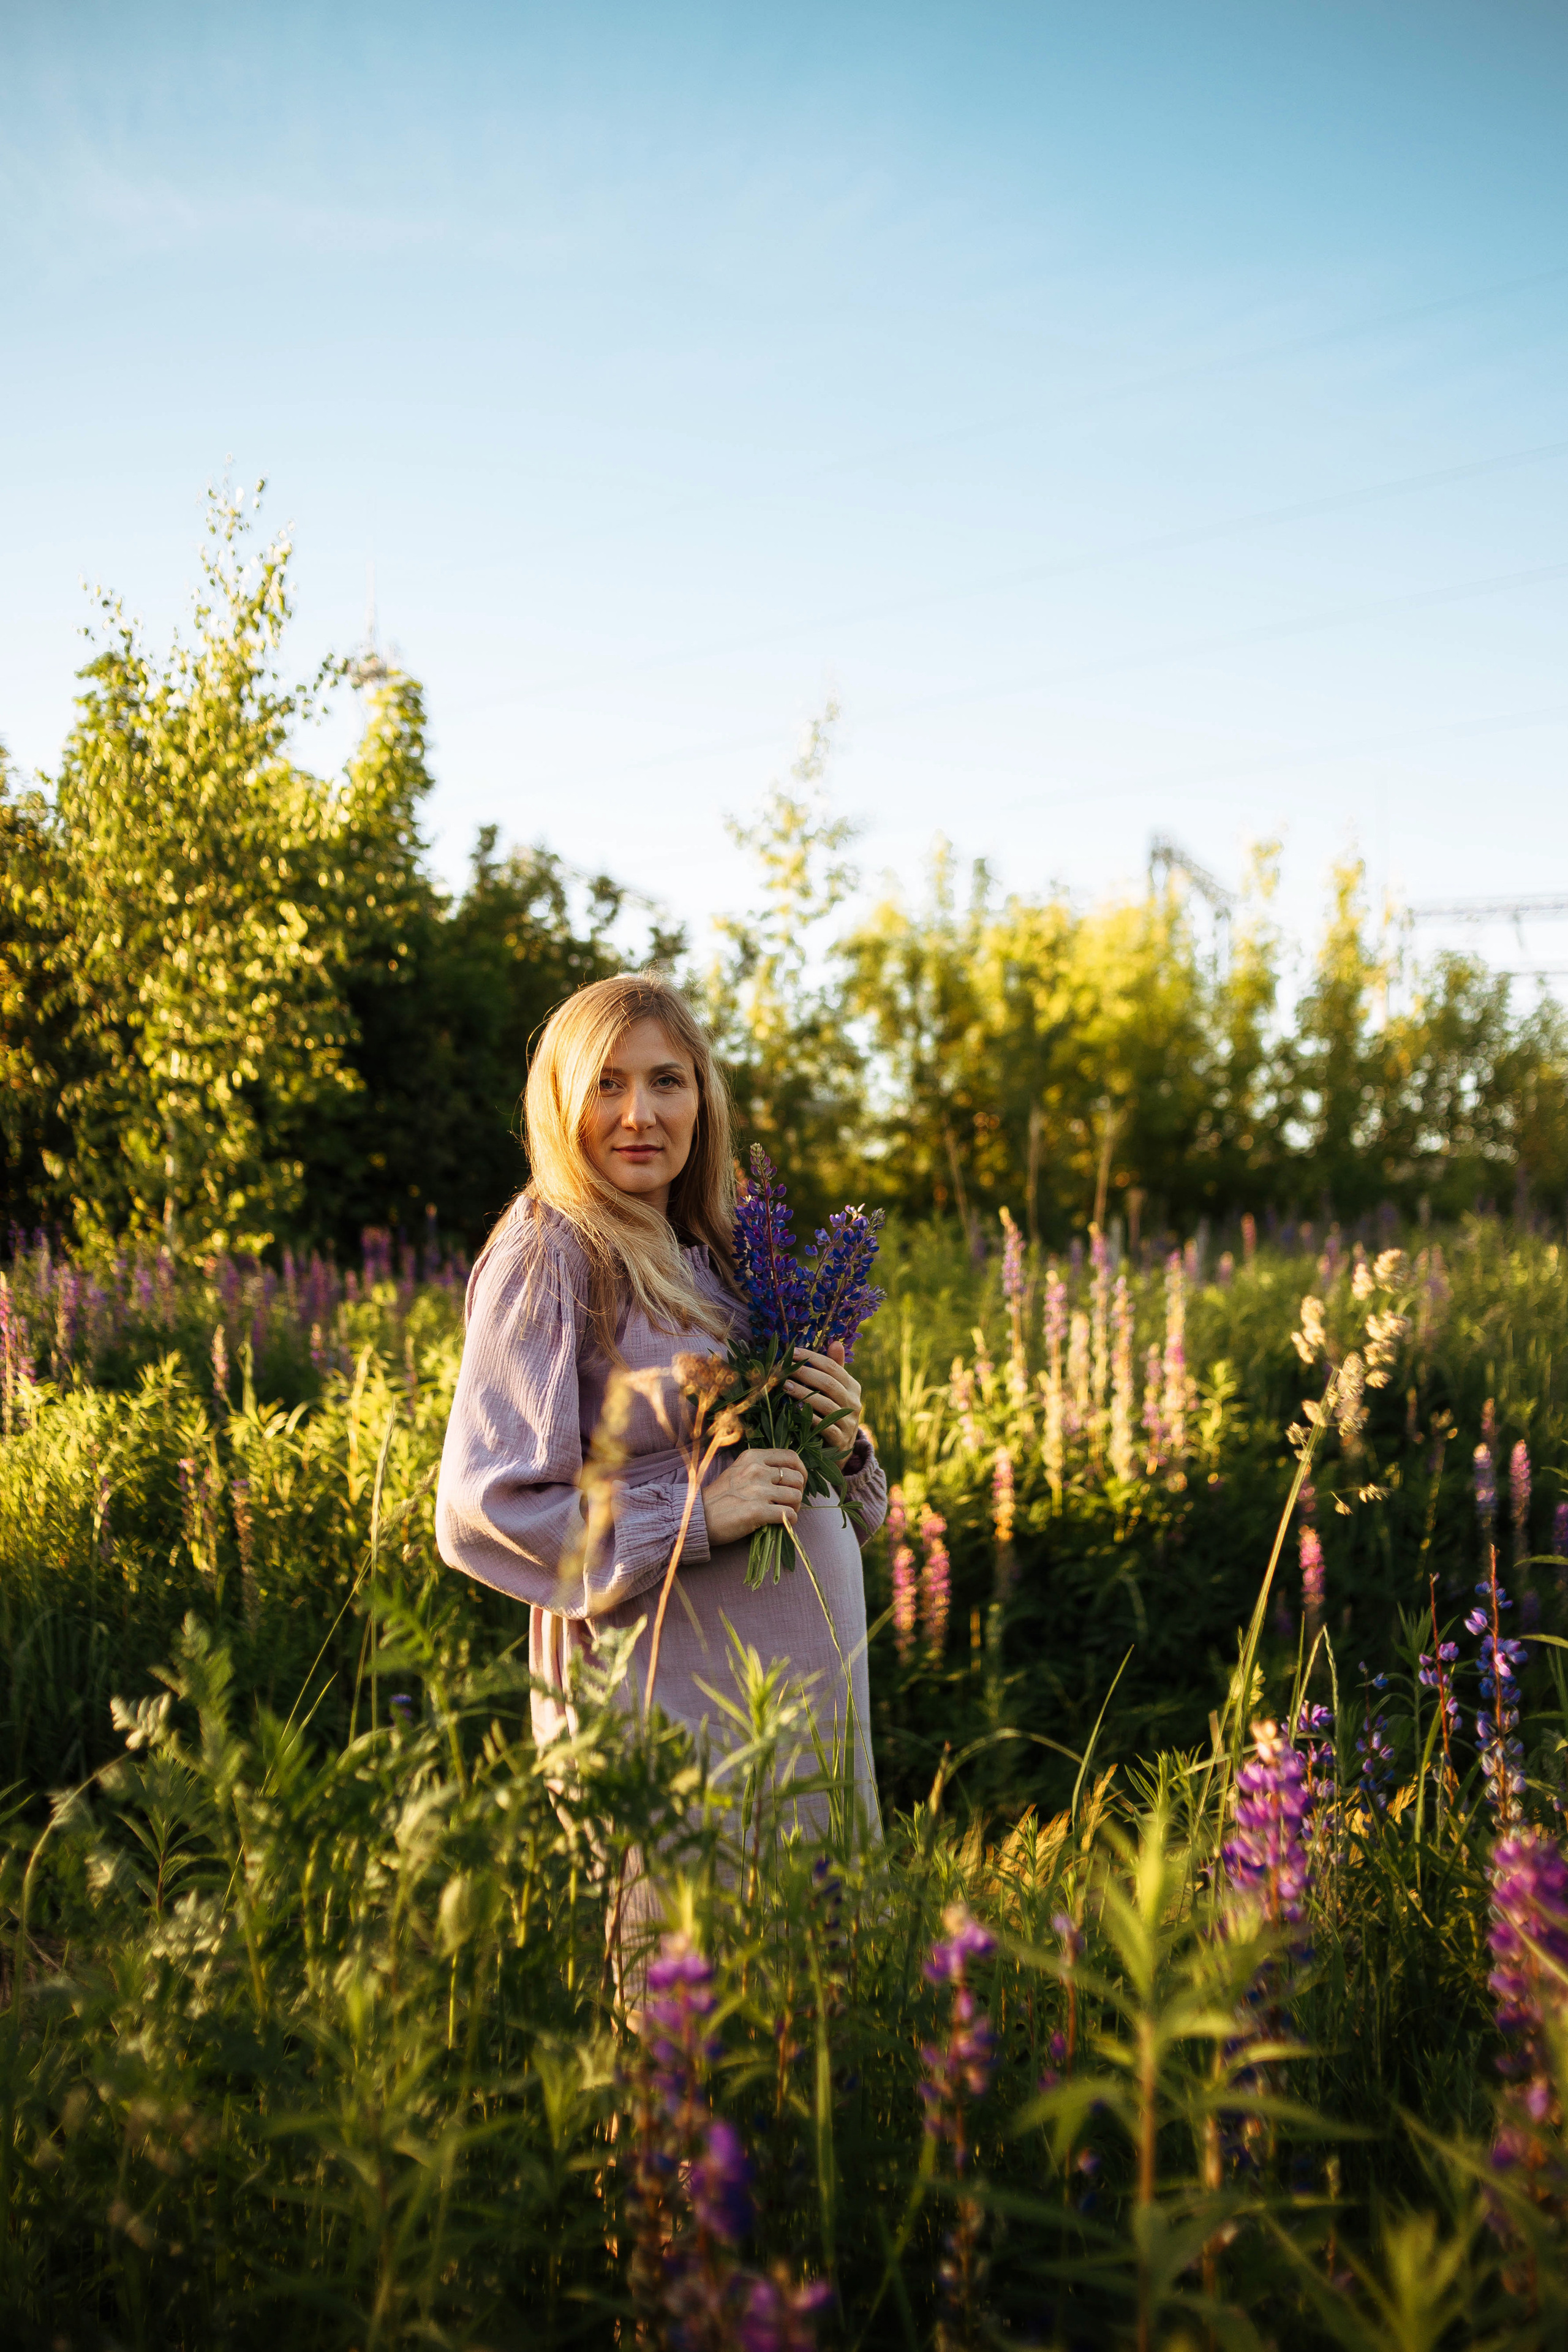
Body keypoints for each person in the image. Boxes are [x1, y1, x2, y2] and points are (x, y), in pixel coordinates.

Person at [434, 970, 887, 1831]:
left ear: (701, 1101)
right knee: (688, 1954)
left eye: (665, 1080)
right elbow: (482, 1507)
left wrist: (844, 1444)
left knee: (816, 1957)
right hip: (672, 1705)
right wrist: (692, 1516)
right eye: (608, 1082)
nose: (639, 1112)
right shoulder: (551, 1251)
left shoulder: (721, 1252)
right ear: (561, 1101)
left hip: (803, 1705)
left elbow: (833, 1509)